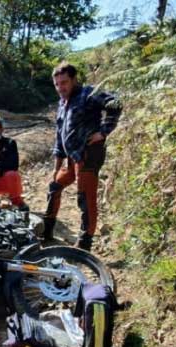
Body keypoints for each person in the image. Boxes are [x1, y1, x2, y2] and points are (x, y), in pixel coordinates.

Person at [45, 61, 122, 252]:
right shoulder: (62, 103)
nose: (60, 88)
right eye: (56, 84)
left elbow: (116, 103)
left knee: (85, 198)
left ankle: (84, 243)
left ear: (74, 80)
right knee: (54, 187)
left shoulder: (88, 93)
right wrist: (56, 166)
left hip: (88, 154)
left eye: (64, 82)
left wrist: (103, 131)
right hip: (72, 157)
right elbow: (59, 135)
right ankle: (46, 230)